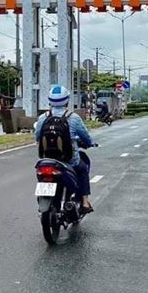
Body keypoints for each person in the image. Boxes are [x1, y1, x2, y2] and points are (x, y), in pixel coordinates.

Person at [35, 85, 96, 213]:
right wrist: (90, 143)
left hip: (47, 160)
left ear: (50, 101)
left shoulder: (42, 118)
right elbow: (85, 137)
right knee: (82, 169)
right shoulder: (73, 117)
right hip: (70, 160)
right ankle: (85, 203)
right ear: (67, 100)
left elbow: (37, 137)